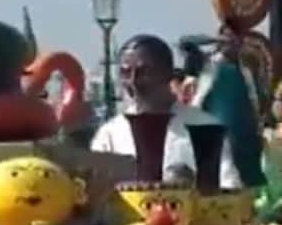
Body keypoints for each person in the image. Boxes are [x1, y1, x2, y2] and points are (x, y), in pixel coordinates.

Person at [89, 34, 242, 190]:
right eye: (126, 73)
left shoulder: (205, 129)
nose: (133, 82)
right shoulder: (110, 134)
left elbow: (228, 189)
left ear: (167, 73)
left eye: (144, 72)